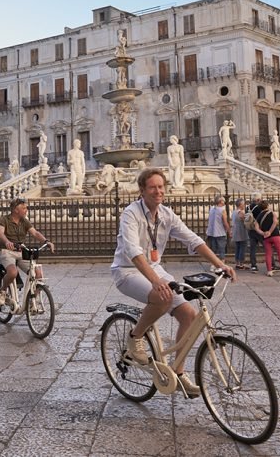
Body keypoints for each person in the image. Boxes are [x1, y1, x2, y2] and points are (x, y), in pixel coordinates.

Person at [110, 168, 235, 398]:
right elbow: (133, 251)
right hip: (127, 271)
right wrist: (155, 281)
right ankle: (135, 338)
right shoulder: (131, 213)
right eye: (152, 187)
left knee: (189, 315)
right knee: (162, 296)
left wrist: (220, 264)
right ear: (142, 190)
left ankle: (178, 372)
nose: (158, 191)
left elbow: (193, 240)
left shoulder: (166, 214)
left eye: (161, 187)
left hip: (154, 269)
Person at [0, 197, 55, 306]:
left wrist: (46, 242)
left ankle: (32, 301)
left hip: (21, 251)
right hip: (6, 251)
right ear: (16, 210)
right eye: (23, 208)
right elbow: (0, 233)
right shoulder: (5, 219)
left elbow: (35, 233)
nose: (26, 210)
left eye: (26, 208)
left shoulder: (24, 221)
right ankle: (2, 291)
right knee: (13, 272)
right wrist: (7, 242)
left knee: (38, 273)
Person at [253, 201, 280, 277]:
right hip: (275, 235)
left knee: (268, 254)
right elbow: (275, 222)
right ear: (267, 206)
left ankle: (269, 271)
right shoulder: (272, 213)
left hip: (266, 237)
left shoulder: (259, 216)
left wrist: (263, 233)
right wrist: (270, 231)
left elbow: (256, 228)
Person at [205, 196, 230, 263]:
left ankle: (213, 263)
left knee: (213, 249)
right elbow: (225, 222)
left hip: (211, 232)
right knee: (221, 249)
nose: (224, 202)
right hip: (220, 232)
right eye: (223, 201)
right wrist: (229, 231)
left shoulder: (212, 209)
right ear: (221, 202)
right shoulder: (222, 210)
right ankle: (222, 263)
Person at [246, 193, 264, 272]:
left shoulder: (248, 207)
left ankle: (253, 265)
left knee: (252, 248)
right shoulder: (258, 208)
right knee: (267, 246)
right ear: (258, 199)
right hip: (258, 229)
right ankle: (272, 264)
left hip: (251, 229)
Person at [230, 198, 249, 270]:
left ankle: (237, 263)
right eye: (244, 204)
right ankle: (241, 264)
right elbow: (245, 221)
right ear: (240, 204)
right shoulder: (241, 212)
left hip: (235, 231)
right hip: (241, 231)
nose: (244, 205)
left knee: (237, 247)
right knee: (242, 247)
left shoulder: (234, 212)